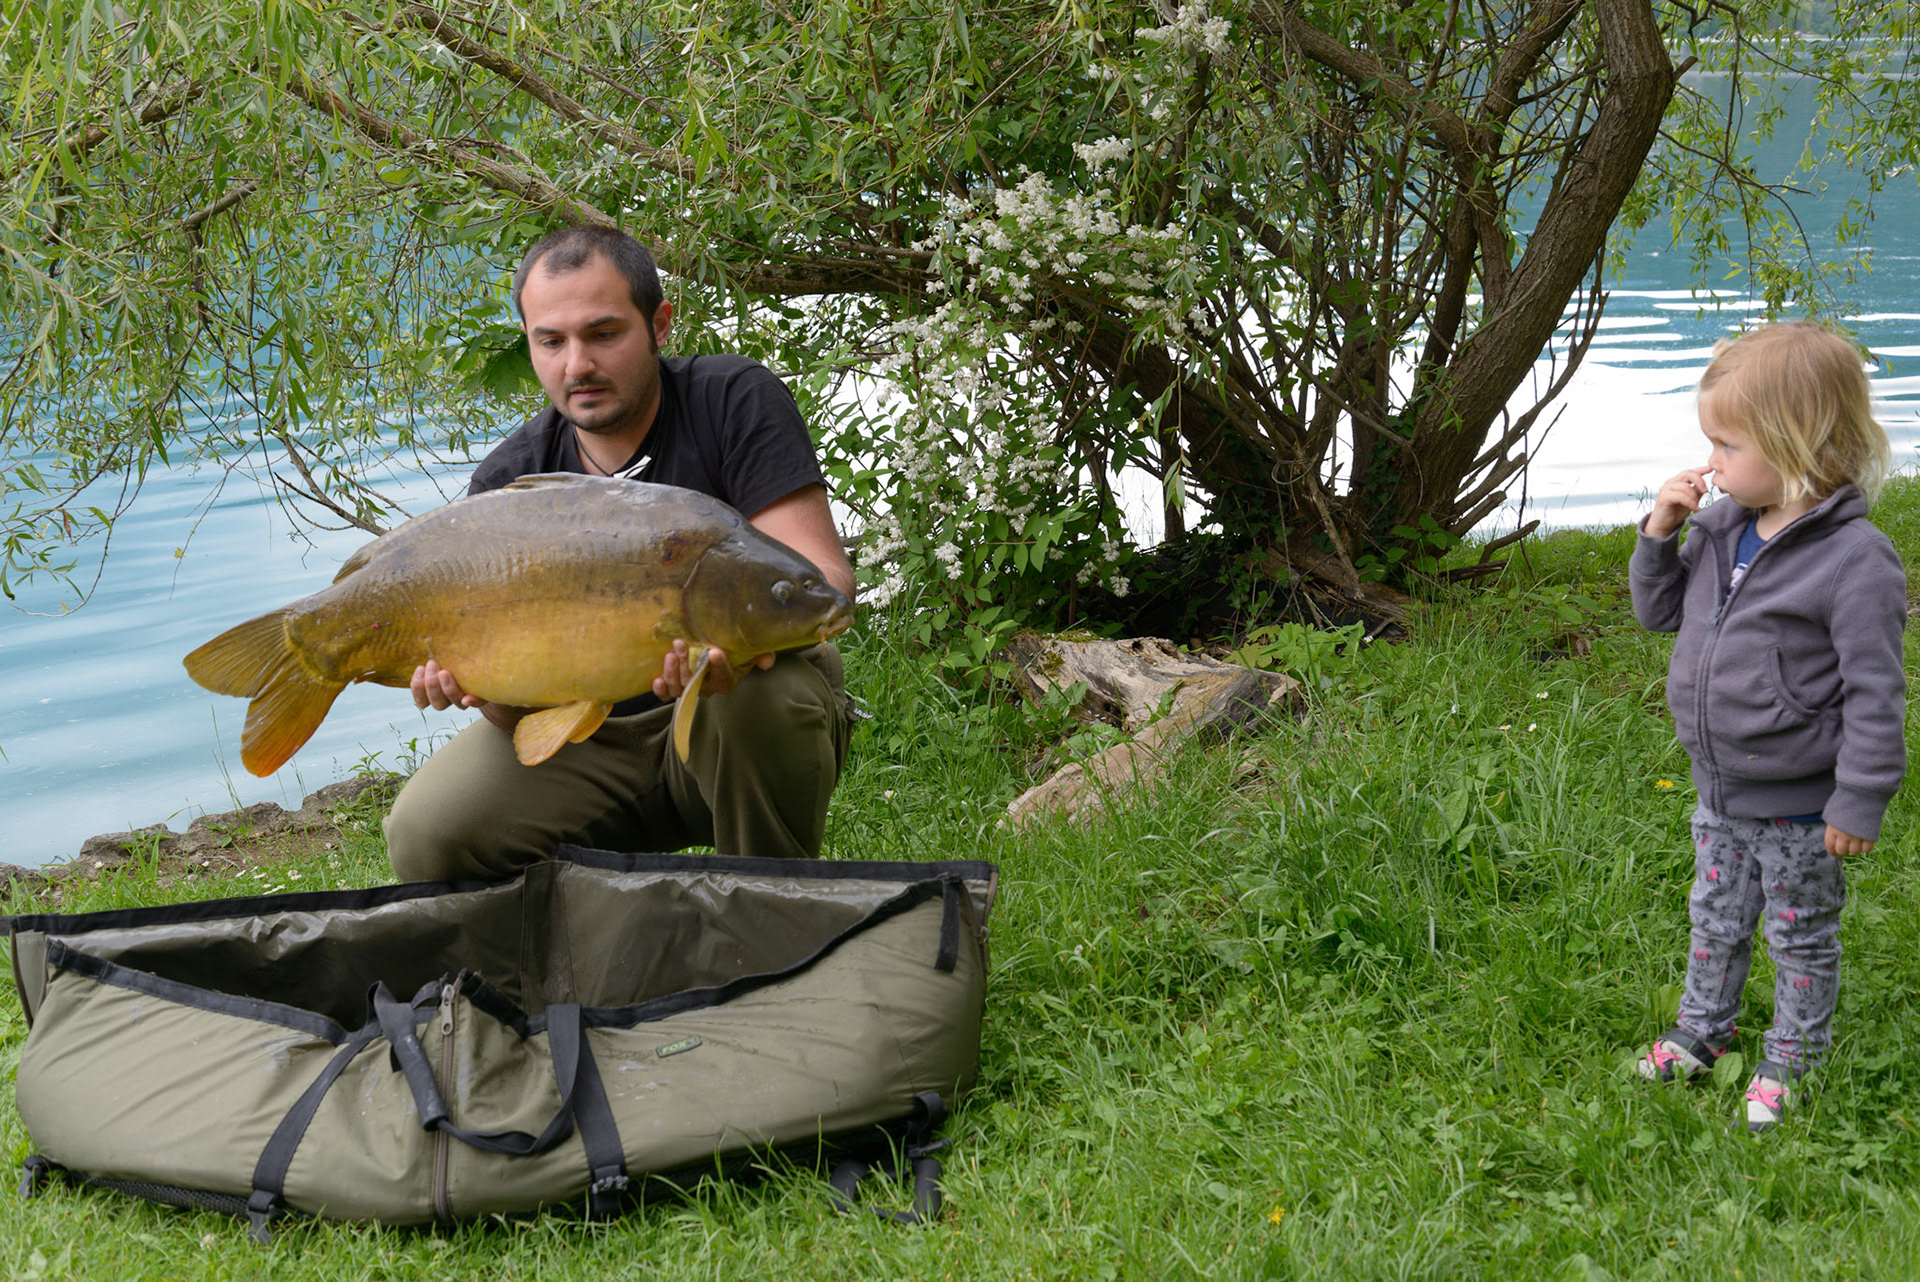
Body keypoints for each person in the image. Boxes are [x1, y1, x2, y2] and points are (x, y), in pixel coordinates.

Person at [381, 226, 857, 881]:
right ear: (530, 343)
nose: (577, 365)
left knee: (760, 699)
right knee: (428, 827)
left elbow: (822, 581)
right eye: (551, 341)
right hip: (591, 744)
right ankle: (540, 970)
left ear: (659, 325)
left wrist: (737, 658)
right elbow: (516, 716)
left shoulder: (733, 400)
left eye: (603, 334)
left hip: (734, 716)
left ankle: (770, 928)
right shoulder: (507, 485)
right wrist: (470, 684)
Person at [1628, 321, 1905, 1133]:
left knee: (1798, 933)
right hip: (1722, 787)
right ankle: (1702, 1032)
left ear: (1797, 444)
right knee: (1714, 915)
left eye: (1727, 443)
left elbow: (1877, 693)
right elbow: (1658, 613)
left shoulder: (1857, 561)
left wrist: (1857, 801)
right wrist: (1661, 532)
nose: (1710, 460)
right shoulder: (1719, 527)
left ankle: (1794, 1057)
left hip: (1800, 802)